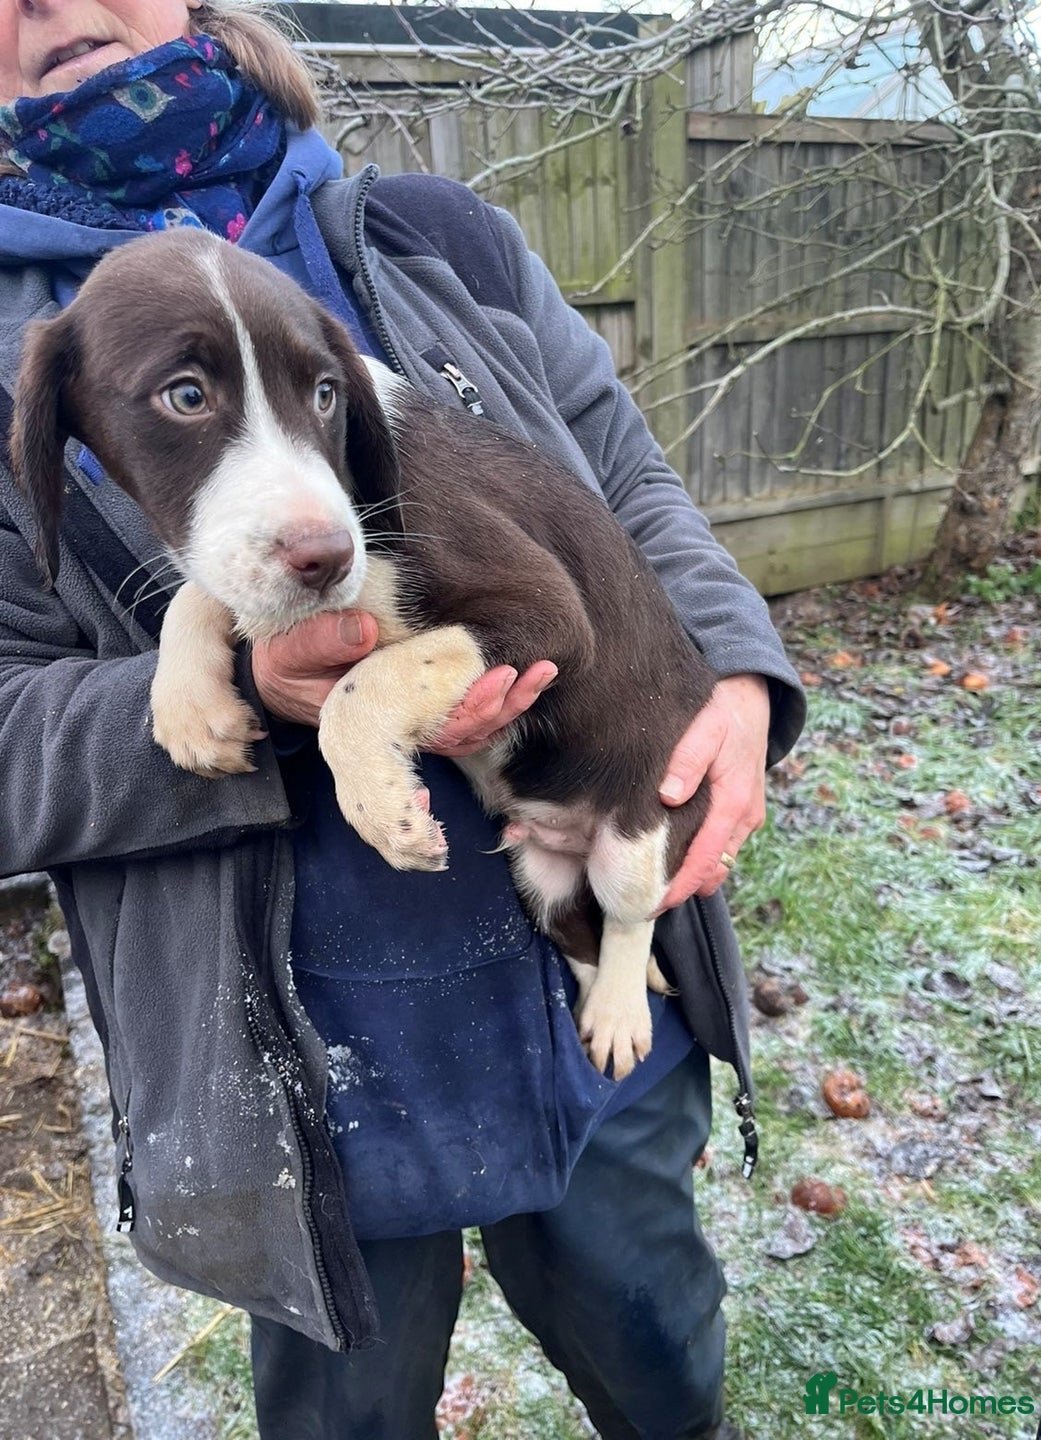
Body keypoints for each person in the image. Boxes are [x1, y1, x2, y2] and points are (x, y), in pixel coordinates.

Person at [0, 3, 806, 1436]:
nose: (45, 4)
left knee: (663, 1366)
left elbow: (629, 483)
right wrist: (218, 690)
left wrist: (737, 673)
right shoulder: (22, 359)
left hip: (587, 1016)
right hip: (300, 1082)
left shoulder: (437, 236)